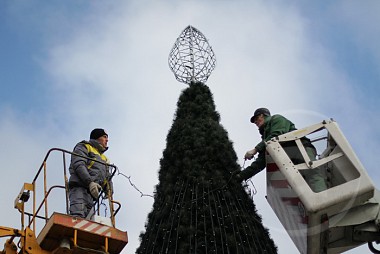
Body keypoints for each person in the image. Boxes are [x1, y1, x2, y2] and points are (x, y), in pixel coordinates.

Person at [236, 108, 327, 193]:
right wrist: (241, 176)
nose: (255, 122)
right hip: (290, 158)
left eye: (256, 118)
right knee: (300, 183)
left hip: (301, 148)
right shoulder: (265, 138)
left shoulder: (276, 119)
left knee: (311, 172)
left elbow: (277, 135)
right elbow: (261, 161)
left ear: (264, 115)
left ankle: (323, 198)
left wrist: (255, 150)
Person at [68, 128, 112, 218]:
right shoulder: (84, 147)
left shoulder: (104, 158)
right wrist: (90, 182)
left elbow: (107, 177)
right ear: (97, 137)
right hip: (79, 188)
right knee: (78, 216)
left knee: (89, 221)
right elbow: (79, 165)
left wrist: (109, 190)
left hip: (91, 195)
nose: (107, 140)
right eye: (104, 137)